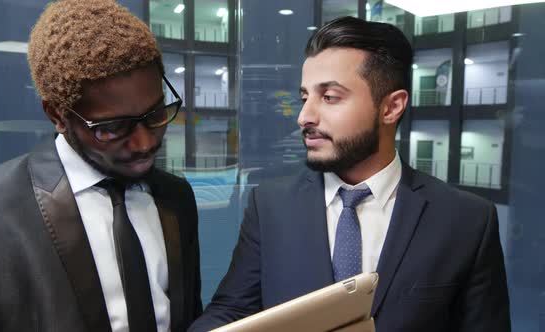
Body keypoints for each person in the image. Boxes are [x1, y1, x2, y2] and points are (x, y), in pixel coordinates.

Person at [189, 16, 510, 332]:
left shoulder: (466, 220)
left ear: (391, 107)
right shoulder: (270, 206)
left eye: (329, 97)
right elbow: (231, 311)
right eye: (305, 97)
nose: (304, 116)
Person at [0, 1, 201, 331]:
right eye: (113, 128)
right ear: (57, 115)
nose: (144, 143)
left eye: (155, 115)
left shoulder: (177, 196)